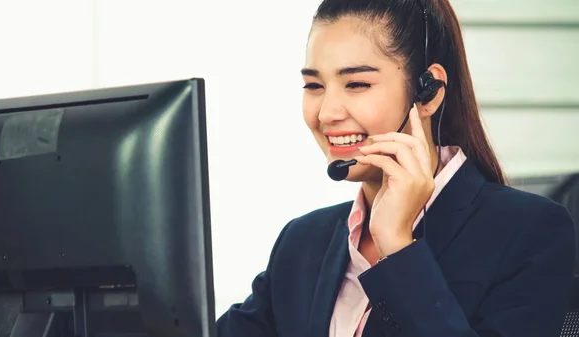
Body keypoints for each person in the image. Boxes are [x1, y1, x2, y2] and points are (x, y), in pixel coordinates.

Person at [216, 0, 576, 336]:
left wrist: (399, 248)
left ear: (428, 92)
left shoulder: (531, 232)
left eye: (356, 84)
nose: (326, 113)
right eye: (314, 85)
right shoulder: (302, 240)